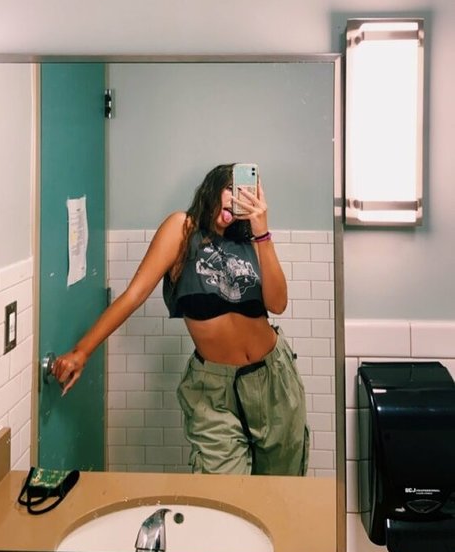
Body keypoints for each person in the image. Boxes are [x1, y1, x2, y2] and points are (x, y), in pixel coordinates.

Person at [53, 164, 310, 476]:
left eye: (244, 193)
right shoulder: (183, 229)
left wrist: (262, 233)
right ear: (213, 187)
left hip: (273, 378)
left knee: (280, 488)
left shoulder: (251, 242)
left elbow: (278, 304)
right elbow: (135, 294)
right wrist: (82, 351)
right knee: (222, 493)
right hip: (213, 390)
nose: (234, 200)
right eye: (230, 189)